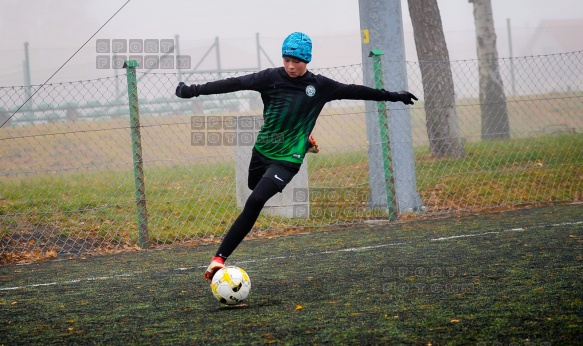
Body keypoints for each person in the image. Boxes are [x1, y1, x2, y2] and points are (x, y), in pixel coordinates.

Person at [175, 32, 417, 280]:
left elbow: (355, 90)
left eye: (297, 61)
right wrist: (193, 90)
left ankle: (218, 258)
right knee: (253, 186)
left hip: (288, 159)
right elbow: (234, 83)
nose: (291, 66)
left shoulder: (320, 86)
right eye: (287, 60)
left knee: (256, 200)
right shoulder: (270, 78)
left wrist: (394, 95)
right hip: (263, 150)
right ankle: (306, 142)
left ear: (307, 60)